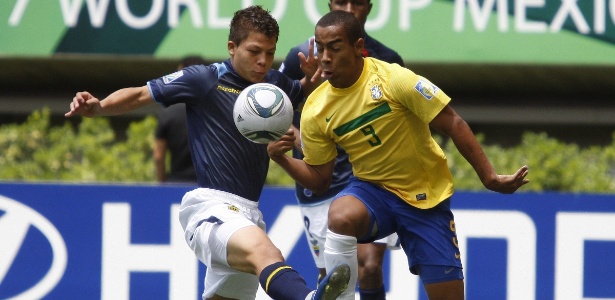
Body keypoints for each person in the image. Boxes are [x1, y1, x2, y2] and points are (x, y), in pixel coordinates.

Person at [65, 6, 351, 300]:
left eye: (269, 52)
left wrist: (309, 81)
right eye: (254, 51)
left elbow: (298, 91)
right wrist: (99, 107)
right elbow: (140, 94)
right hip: (211, 209)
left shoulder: (274, 85)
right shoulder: (204, 79)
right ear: (232, 47)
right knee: (266, 251)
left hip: (249, 213)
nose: (263, 61)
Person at [268, 10, 530, 300]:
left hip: (425, 199)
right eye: (321, 47)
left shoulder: (394, 79)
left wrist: (489, 177)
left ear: (357, 47)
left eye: (335, 47)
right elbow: (319, 180)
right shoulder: (315, 108)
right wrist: (282, 159)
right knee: (340, 216)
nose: (325, 57)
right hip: (373, 192)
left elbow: (453, 122)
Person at [279, 1, 403, 299]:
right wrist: (297, 138)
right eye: (340, 2)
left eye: (357, 2)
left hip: (372, 177)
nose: (348, 8)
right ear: (330, 5)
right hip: (320, 179)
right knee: (333, 277)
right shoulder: (301, 56)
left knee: (369, 265)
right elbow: (276, 107)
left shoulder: (388, 59)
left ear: (369, 8)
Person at [154, 56, 206, 184]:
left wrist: (163, 183)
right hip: (209, 186)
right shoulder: (217, 111)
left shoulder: (168, 113)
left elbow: (158, 156)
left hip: (176, 184)